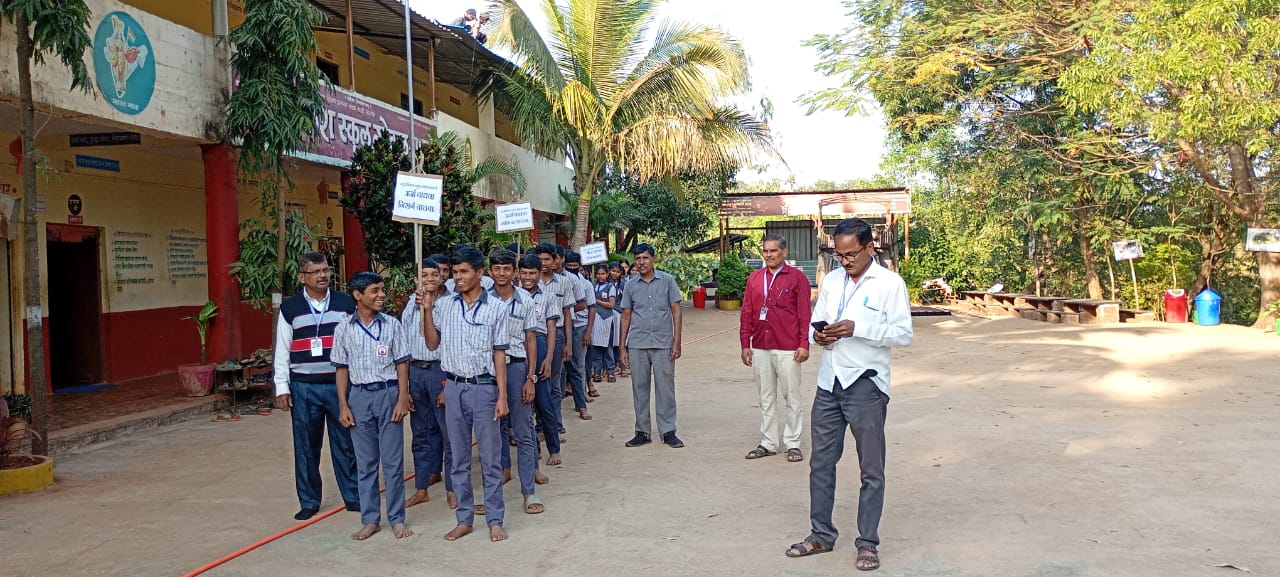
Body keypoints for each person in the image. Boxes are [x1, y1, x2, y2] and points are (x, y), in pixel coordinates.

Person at [784, 218, 913, 571]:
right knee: (821, 463)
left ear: (870, 247)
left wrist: (859, 328)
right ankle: (821, 534)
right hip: (829, 383)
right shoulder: (833, 281)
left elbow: (903, 333)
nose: (845, 261)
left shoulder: (889, 283)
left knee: (871, 469)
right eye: (839, 256)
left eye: (851, 254)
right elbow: (816, 323)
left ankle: (867, 542)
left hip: (866, 384)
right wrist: (818, 336)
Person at [422, 244, 512, 543]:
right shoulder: (445, 306)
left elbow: (500, 353)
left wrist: (502, 395)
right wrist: (427, 310)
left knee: (490, 458)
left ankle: (495, 520)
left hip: (484, 388)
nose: (457, 278)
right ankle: (464, 519)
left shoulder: (497, 308)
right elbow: (432, 344)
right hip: (453, 387)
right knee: (458, 458)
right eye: (454, 272)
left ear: (479, 273)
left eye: (463, 272)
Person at [273, 252, 360, 521]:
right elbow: (282, 349)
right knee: (306, 446)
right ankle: (309, 501)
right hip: (303, 387)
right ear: (302, 277)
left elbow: (356, 343)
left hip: (338, 386)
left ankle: (353, 496)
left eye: (326, 270)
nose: (323, 275)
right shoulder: (290, 308)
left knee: (345, 443)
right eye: (316, 271)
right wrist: (281, 387)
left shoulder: (346, 303)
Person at [332, 272, 413, 540]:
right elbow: (341, 368)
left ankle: (397, 518)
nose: (381, 295)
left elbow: (402, 362)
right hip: (359, 397)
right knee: (365, 463)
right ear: (357, 295)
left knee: (392, 462)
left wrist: (402, 397)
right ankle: (370, 519)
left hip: (388, 394)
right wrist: (343, 405)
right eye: (374, 291)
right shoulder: (344, 328)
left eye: (382, 290)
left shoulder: (391, 325)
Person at [741, 234, 813, 463]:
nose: (769, 255)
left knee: (791, 396)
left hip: (788, 346)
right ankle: (768, 442)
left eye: (773, 251)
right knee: (765, 396)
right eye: (765, 251)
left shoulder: (797, 278)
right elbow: (747, 312)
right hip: (761, 345)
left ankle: (793, 443)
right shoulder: (755, 278)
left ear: (784, 252)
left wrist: (804, 343)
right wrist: (745, 343)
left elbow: (804, 314)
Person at [487, 249, 547, 515]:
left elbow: (531, 340)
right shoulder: (481, 300)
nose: (501, 273)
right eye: (496, 268)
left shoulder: (525, 300)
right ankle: (498, 484)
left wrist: (531, 378)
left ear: (514, 272)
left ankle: (528, 491)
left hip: (516, 368)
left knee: (523, 431)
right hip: (488, 371)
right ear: (490, 271)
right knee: (493, 431)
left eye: (506, 269)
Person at [618, 243, 684, 448]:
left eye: (645, 258)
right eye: (638, 259)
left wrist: (677, 341)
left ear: (653, 259)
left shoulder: (667, 281)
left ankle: (668, 431)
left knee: (666, 388)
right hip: (637, 343)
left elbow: (676, 311)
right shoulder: (630, 286)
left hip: (663, 343)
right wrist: (622, 347)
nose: (641, 262)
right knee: (639, 388)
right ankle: (642, 432)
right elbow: (626, 316)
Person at [401, 258, 454, 510]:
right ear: (416, 280)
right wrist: (405, 387)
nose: (430, 279)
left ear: (442, 277)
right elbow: (403, 344)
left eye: (434, 274)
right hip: (416, 371)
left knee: (448, 432)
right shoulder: (410, 305)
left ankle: (453, 489)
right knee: (420, 432)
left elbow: (452, 343)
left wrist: (448, 383)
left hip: (439, 370)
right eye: (424, 275)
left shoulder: (450, 304)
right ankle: (421, 487)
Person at [519, 252, 563, 470]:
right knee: (523, 404)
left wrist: (548, 358)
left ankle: (554, 448)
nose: (528, 278)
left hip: (540, 341)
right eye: (524, 273)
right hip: (518, 346)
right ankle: (533, 447)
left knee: (544, 402)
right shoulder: (513, 295)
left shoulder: (548, 296)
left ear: (539, 273)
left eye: (532, 273)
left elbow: (552, 329)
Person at [534, 243, 575, 452]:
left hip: (556, 335)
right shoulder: (527, 281)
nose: (543, 263)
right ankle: (539, 427)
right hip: (532, 336)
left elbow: (567, 314)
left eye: (547, 259)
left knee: (554, 384)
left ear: (555, 260)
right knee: (535, 381)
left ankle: (555, 426)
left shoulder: (564, 282)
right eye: (540, 259)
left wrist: (568, 342)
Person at [562, 251, 597, 418]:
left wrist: (588, 331)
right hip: (561, 326)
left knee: (579, 365)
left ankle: (581, 398)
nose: (572, 268)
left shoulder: (584, 284)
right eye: (569, 266)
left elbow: (589, 307)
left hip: (579, 326)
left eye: (575, 266)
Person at [591, 264, 619, 383]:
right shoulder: (593, 286)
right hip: (595, 319)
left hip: (606, 319)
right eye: (598, 274)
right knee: (596, 347)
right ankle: (597, 372)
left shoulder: (610, 287)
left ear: (607, 274)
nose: (600, 276)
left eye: (602, 273)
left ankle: (610, 372)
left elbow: (611, 305)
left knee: (608, 347)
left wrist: (596, 301)